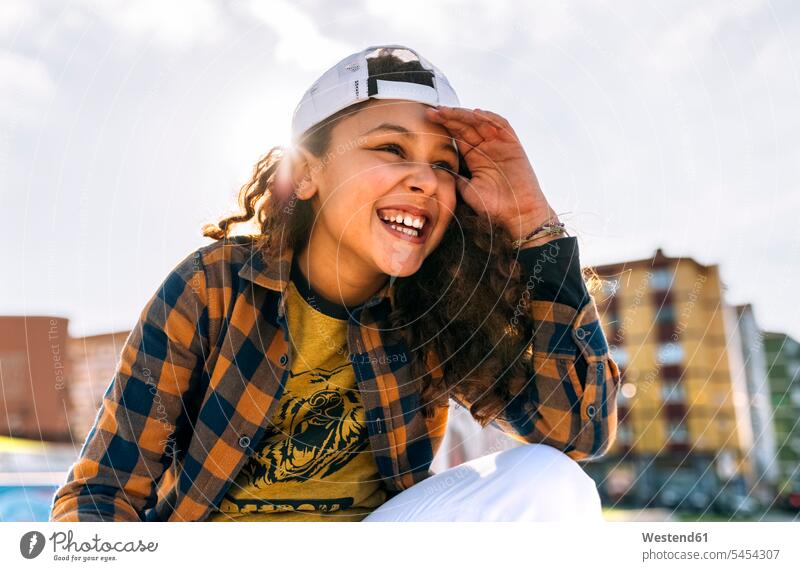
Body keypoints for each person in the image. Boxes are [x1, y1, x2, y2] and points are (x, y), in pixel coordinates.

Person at [49, 44, 620, 523]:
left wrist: (532, 223)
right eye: (391, 148)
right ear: (305, 175)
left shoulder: (438, 304)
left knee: (551, 481)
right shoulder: (212, 286)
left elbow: (579, 433)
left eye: (445, 165)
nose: (424, 179)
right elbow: (102, 493)